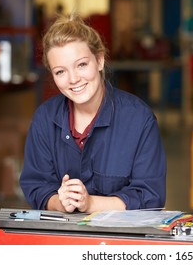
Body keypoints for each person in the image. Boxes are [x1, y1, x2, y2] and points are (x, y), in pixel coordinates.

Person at [19, 12, 166, 213]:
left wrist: (90, 203)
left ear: (99, 61)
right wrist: (60, 202)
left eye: (81, 65)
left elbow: (150, 196)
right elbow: (36, 186)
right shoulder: (44, 119)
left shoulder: (139, 120)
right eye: (60, 71)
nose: (73, 79)